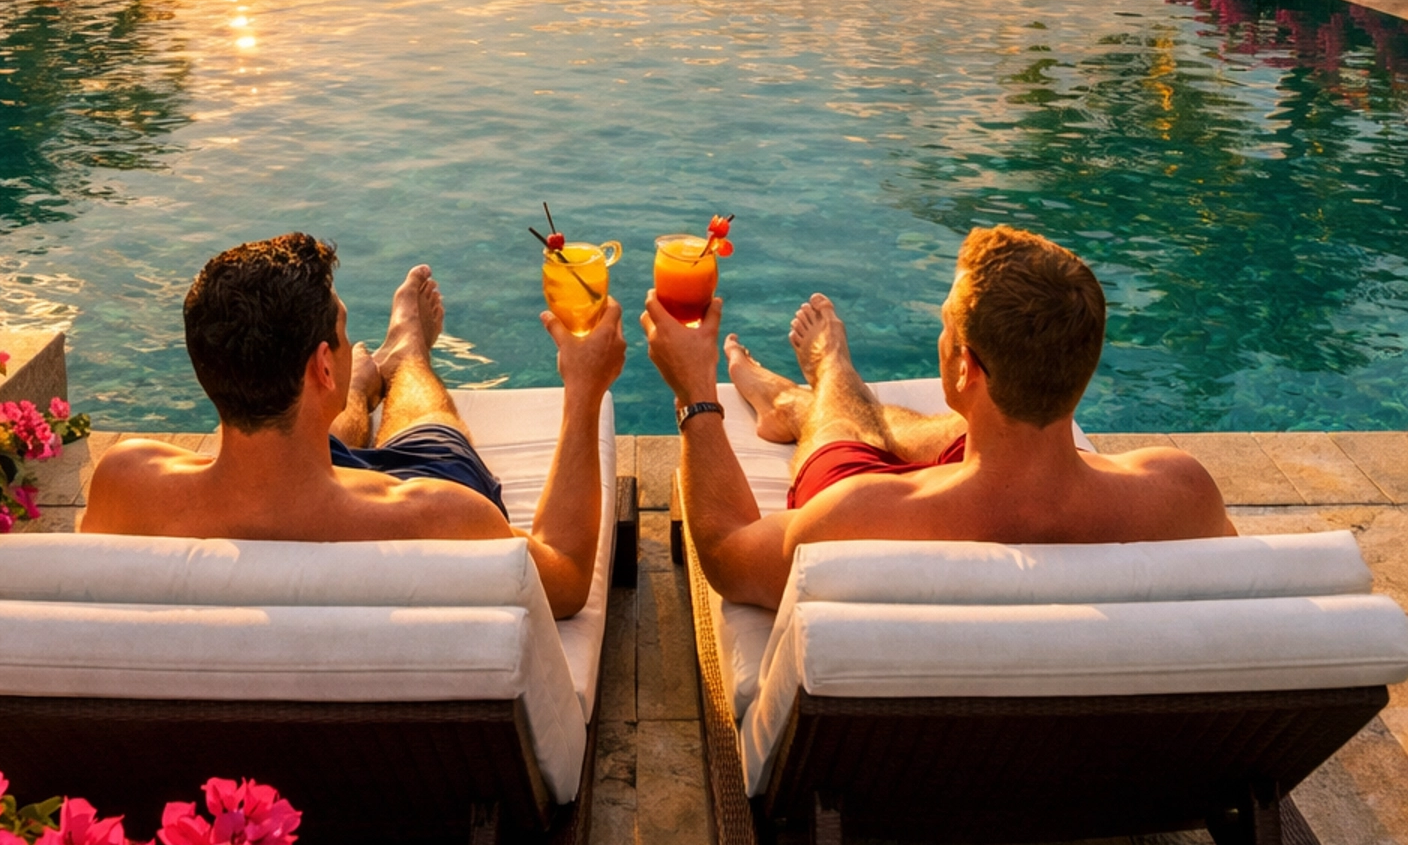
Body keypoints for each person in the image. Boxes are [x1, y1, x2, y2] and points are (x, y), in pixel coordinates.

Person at [642, 222, 1232, 611]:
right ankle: (817, 393)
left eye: (947, 323)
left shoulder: (858, 518)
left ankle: (825, 383)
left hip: (889, 779)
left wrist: (695, 389)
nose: (942, 333)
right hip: (1125, 777)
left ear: (963, 369)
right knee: (976, 435)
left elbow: (725, 551)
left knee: (842, 436)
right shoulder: (1182, 492)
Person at [81, 233, 624, 620]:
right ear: (322, 364)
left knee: (311, 431)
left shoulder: (125, 482)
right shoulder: (444, 517)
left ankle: (360, 384)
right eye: (341, 330)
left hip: (297, 478)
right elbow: (570, 576)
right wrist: (584, 389)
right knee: (430, 426)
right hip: (387, 498)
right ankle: (408, 354)